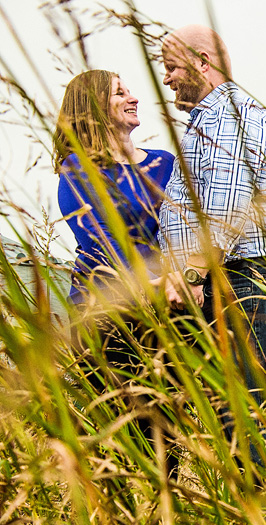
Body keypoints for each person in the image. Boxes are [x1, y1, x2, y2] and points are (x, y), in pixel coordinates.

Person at [158, 25, 266, 467]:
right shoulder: (205, 123)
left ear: (202, 61)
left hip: (239, 282)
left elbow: (231, 206)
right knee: (234, 424)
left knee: (248, 425)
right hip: (221, 283)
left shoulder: (232, 114)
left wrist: (194, 270)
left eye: (172, 66)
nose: (167, 79)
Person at [54, 69, 177, 475]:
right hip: (105, 316)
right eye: (119, 92)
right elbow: (99, 240)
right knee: (124, 443)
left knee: (167, 436)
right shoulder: (78, 169)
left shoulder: (165, 164)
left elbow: (185, 228)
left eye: (129, 89)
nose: (133, 97)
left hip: (170, 310)